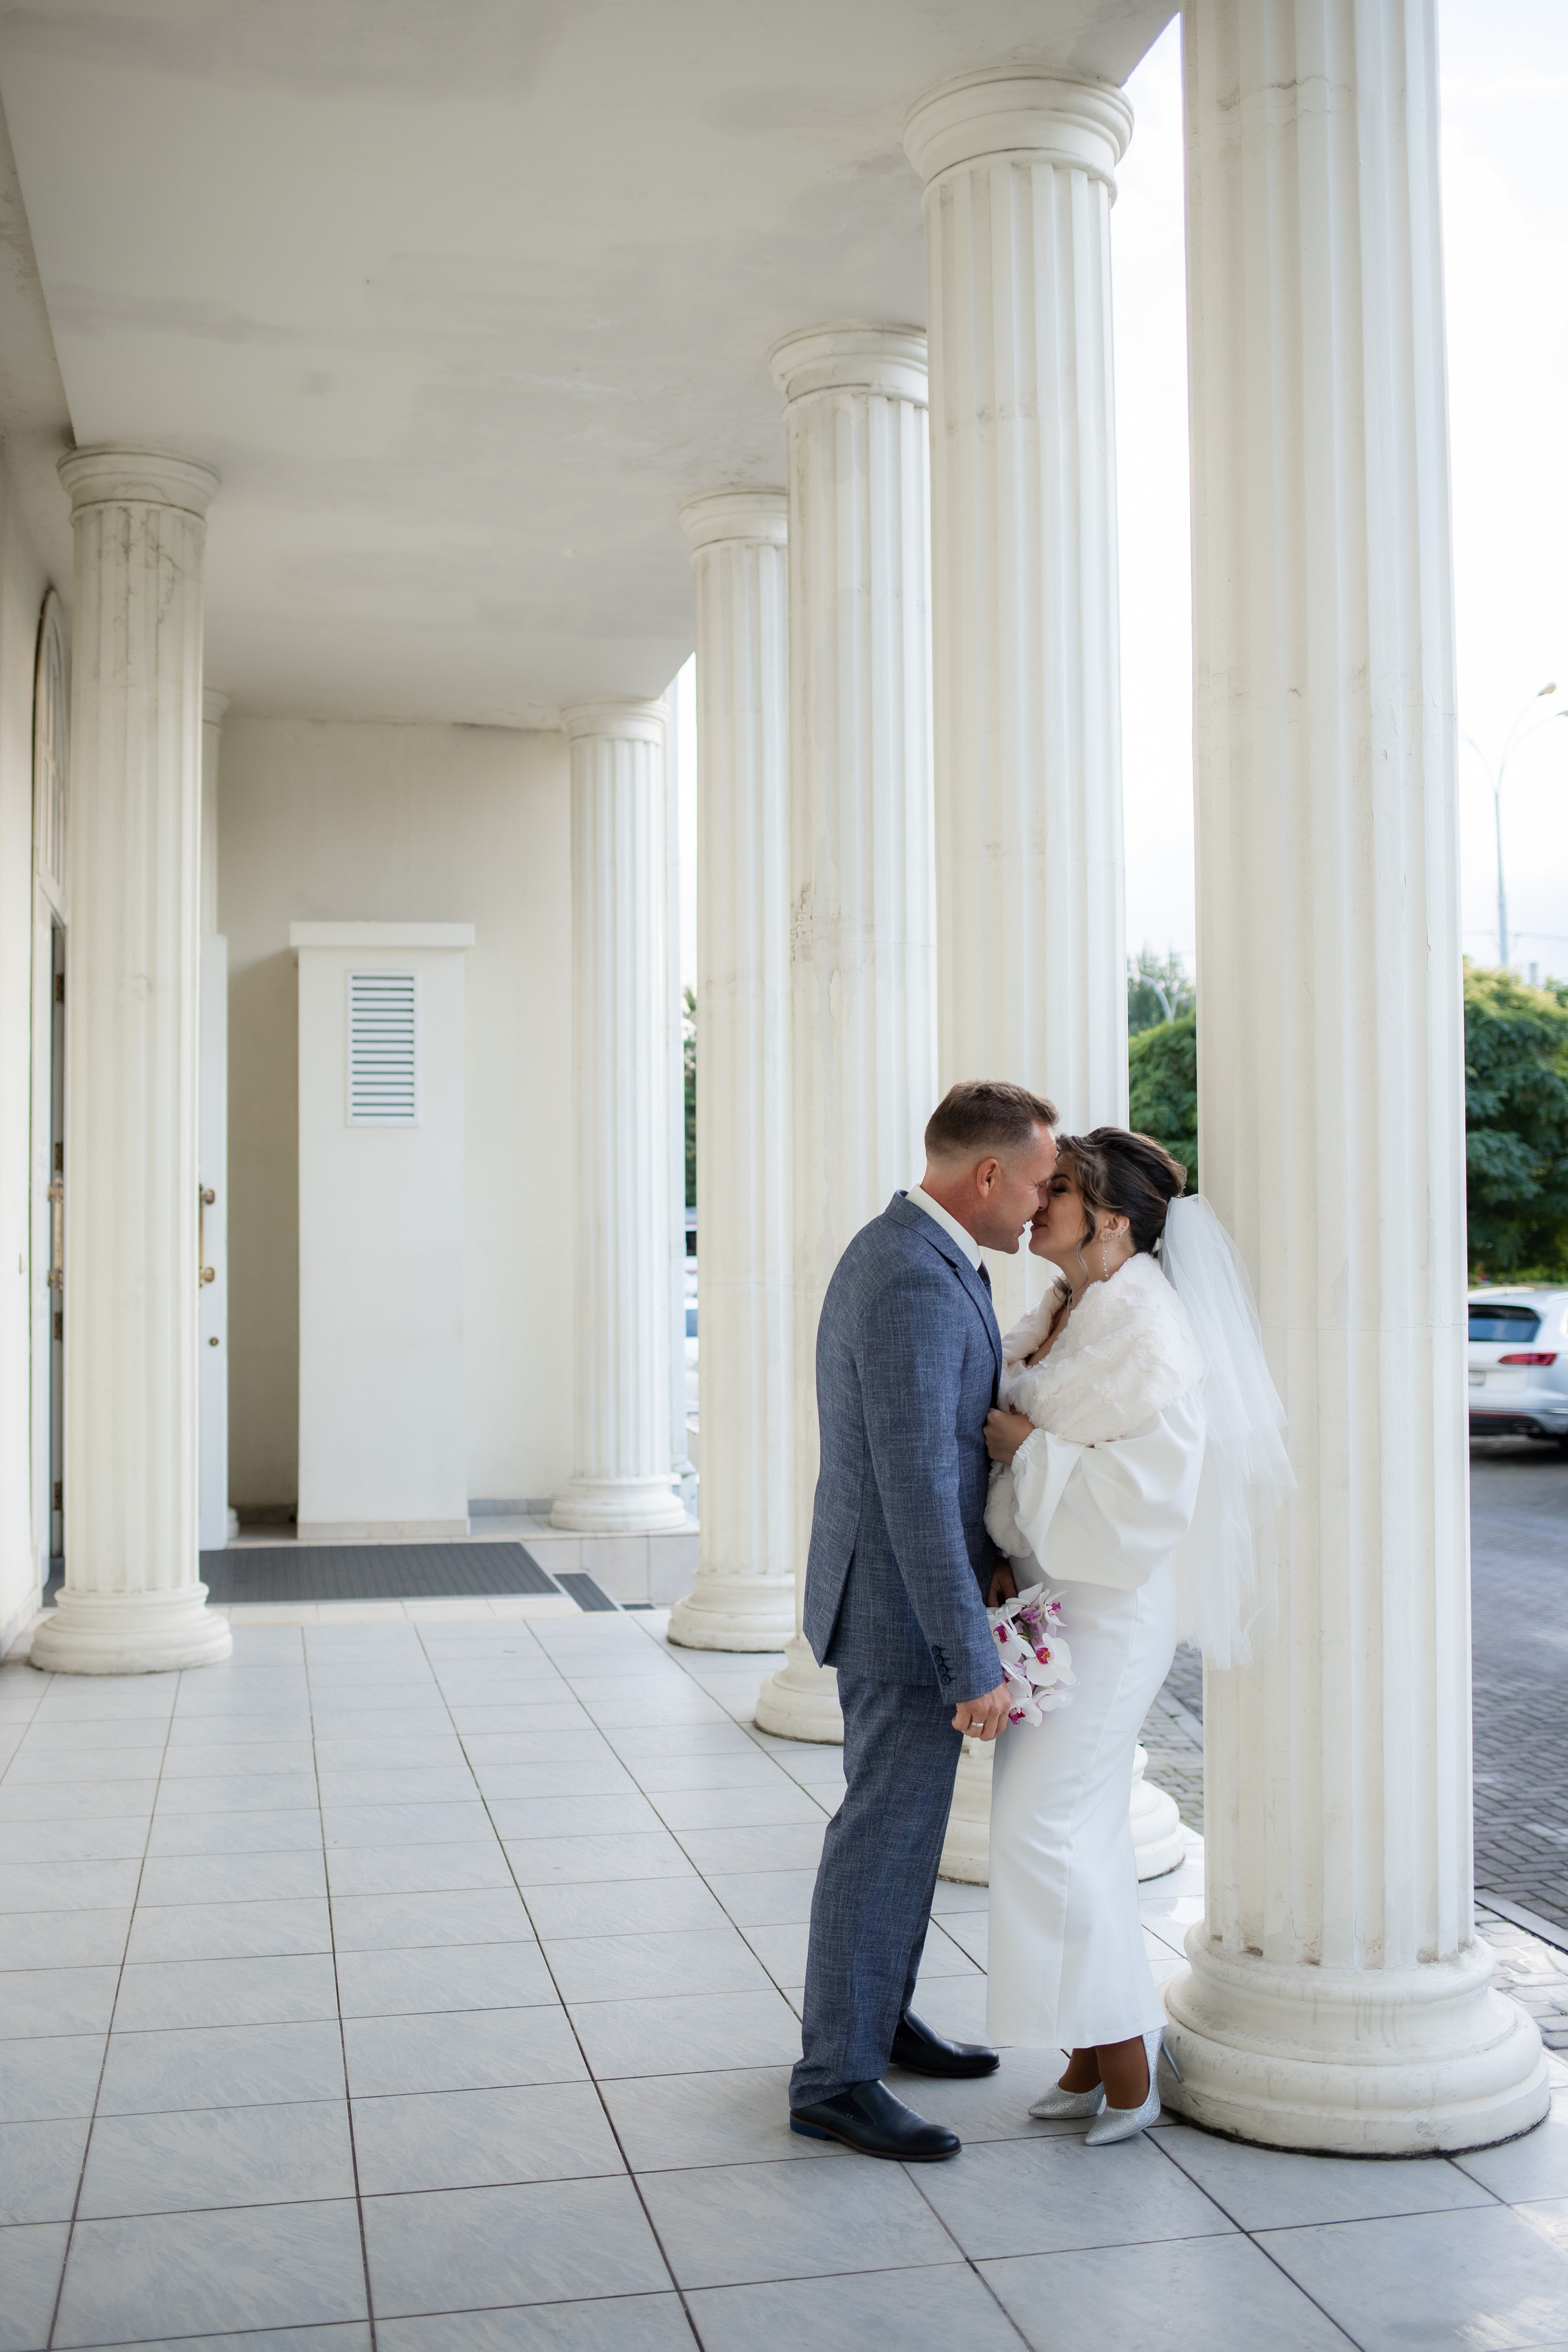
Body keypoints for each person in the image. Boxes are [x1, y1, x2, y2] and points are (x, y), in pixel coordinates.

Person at [982, 1128, 1291, 2144]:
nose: (1037, 1202)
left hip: (1109, 1612)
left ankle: (1127, 2065)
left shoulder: (1149, 1332)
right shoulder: (1068, 1310)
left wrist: (1025, 1448)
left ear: (1111, 1220)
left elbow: (1148, 1501)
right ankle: (1084, 2055)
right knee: (1080, 1831)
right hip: (1052, 1601)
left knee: (1045, 1828)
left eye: (1059, 1190)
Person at [786, 1079, 1058, 2162]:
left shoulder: (924, 1252)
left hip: (908, 1592)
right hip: (900, 1609)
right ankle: (835, 2077)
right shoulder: (909, 1275)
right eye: (1038, 1183)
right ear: (986, 1174)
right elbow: (910, 1479)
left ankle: (877, 2019)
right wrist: (970, 1657)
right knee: (883, 1835)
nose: (1042, 1205)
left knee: (901, 1834)